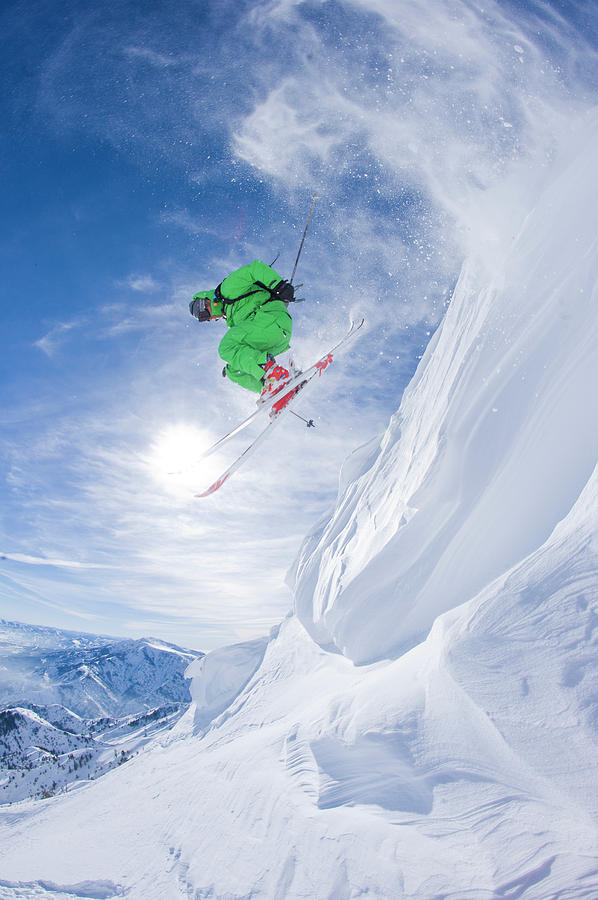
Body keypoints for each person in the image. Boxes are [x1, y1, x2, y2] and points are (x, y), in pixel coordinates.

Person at [189, 259, 295, 399]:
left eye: (202, 313)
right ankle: (274, 392)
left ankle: (273, 373)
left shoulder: (226, 290)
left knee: (226, 347)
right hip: (274, 335)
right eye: (202, 319)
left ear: (205, 301)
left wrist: (278, 286)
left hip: (272, 319)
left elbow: (254, 269)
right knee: (233, 370)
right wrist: (237, 361)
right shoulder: (233, 318)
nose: (207, 318)